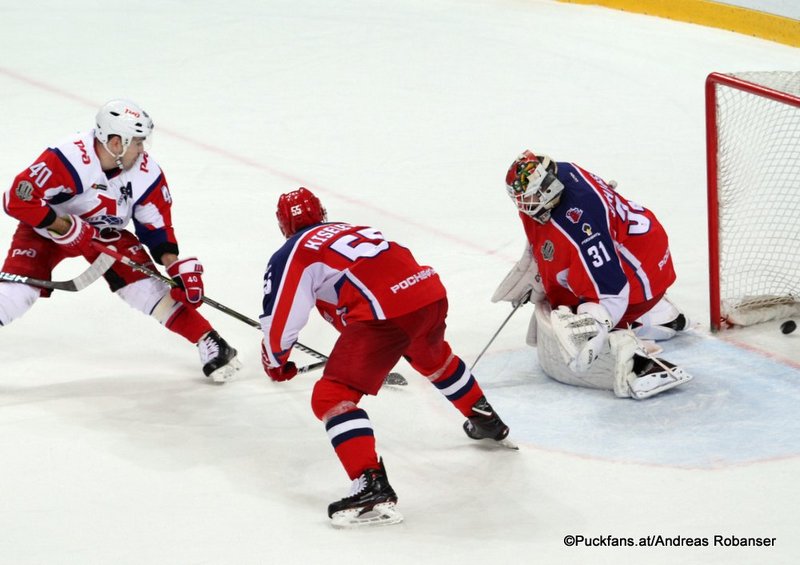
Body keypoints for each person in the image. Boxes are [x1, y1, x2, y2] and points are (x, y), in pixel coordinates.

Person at [259, 187, 513, 528]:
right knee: (434, 359)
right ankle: (486, 418)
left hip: (386, 313)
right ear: (322, 213)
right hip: (428, 293)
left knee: (331, 396)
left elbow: (282, 314)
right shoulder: (352, 229)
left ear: (282, 226)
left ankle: (370, 483)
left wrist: (275, 359)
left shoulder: (293, 251)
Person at [0, 99, 240, 382]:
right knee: (16, 294)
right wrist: (64, 226)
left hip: (104, 236)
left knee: (147, 287)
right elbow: (16, 198)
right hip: (46, 231)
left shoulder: (146, 172)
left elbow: (156, 226)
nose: (142, 148)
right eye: (137, 142)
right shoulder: (70, 157)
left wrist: (174, 266)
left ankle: (210, 342)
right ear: (116, 143)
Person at [492, 150, 692, 399]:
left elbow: (612, 291)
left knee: (580, 317)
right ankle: (663, 315)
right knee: (566, 291)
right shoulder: (559, 172)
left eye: (532, 196)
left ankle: (641, 361)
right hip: (638, 241)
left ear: (546, 187)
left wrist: (591, 329)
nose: (526, 204)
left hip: (641, 269)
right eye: (523, 198)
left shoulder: (582, 228)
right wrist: (541, 262)